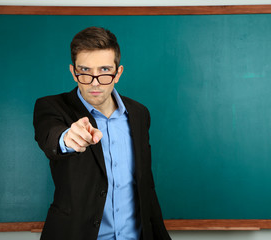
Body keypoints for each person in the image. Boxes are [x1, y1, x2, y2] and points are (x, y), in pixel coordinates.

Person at [33, 26, 171, 240]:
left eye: (104, 71)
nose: (95, 83)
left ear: (118, 73)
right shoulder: (51, 107)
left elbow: (145, 185)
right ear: (73, 71)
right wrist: (69, 138)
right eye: (85, 71)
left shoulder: (139, 114)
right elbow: (52, 136)